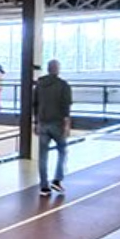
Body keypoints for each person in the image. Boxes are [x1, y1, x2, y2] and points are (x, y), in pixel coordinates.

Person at [33, 58, 73, 197]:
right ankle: (57, 179)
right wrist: (67, 125)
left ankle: (44, 187)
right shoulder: (63, 85)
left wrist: (36, 123)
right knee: (62, 151)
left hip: (43, 123)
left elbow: (35, 104)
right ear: (57, 69)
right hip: (57, 124)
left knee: (43, 156)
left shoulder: (39, 85)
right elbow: (66, 106)